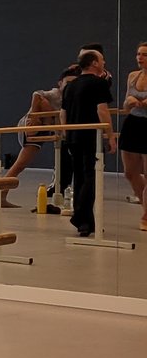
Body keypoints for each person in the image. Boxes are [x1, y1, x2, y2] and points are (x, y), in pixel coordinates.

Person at [0, 67, 74, 208]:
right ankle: (1, 193)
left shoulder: (70, 97)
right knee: (20, 164)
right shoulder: (55, 93)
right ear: (60, 83)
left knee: (21, 164)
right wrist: (34, 114)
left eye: (73, 83)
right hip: (33, 125)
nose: (70, 86)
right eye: (67, 82)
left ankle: (2, 193)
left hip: (45, 128)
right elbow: (36, 94)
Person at [61, 48, 116, 238]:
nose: (104, 63)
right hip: (89, 136)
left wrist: (66, 133)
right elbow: (102, 111)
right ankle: (81, 218)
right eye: (101, 60)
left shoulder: (71, 85)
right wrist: (110, 135)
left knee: (80, 178)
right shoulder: (99, 84)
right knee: (91, 176)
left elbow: (63, 113)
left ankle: (85, 222)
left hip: (74, 136)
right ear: (93, 63)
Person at [118, 44, 147, 229]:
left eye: (144, 54)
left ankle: (146, 215)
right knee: (130, 172)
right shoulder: (132, 76)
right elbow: (125, 106)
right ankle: (145, 205)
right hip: (133, 124)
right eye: (138, 54)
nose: (140, 57)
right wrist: (129, 102)